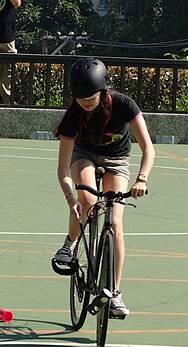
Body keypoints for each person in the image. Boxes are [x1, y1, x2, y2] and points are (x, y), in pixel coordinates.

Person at [52, 58, 155, 318]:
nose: (85, 103)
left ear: (103, 90)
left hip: (117, 160)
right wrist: (69, 198)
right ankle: (70, 244)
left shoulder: (123, 105)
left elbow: (148, 148)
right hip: (84, 155)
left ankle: (116, 294)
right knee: (86, 200)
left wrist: (141, 179)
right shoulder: (73, 115)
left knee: (116, 223)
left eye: (90, 98)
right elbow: (63, 169)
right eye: (80, 98)